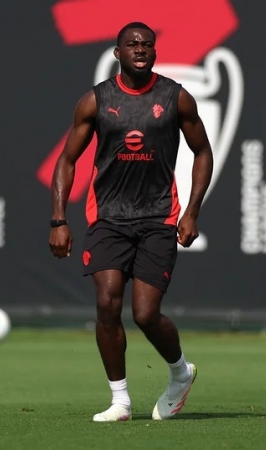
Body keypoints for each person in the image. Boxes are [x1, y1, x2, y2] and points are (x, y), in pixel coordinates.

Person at [48, 21, 214, 422]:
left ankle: (180, 373)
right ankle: (120, 401)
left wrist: (192, 211)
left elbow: (203, 152)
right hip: (108, 216)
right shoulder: (96, 100)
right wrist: (58, 219)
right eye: (132, 43)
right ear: (117, 52)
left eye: (147, 44)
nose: (140, 48)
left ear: (155, 52)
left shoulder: (175, 97)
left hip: (158, 216)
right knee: (107, 304)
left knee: (144, 314)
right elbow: (67, 160)